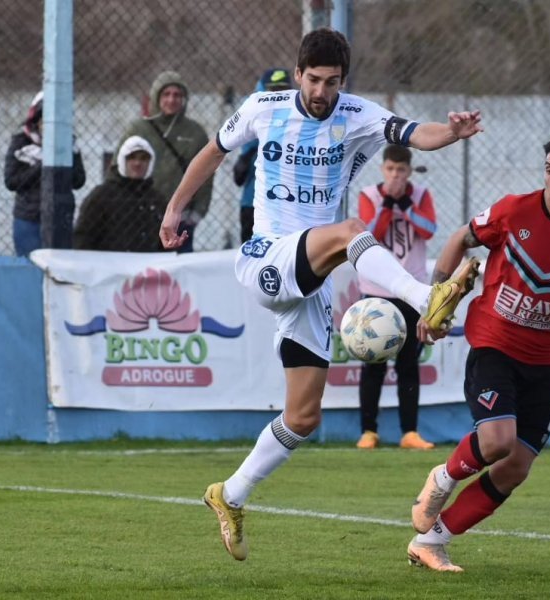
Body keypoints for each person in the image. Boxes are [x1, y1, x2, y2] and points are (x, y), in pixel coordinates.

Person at [159, 27, 483, 562]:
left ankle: (230, 494)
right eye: (314, 80)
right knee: (347, 229)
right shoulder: (263, 108)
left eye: (332, 82)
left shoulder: (355, 113)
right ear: (299, 72)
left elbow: (412, 133)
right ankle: (427, 299)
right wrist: (174, 211)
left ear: (342, 80)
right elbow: (212, 153)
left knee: (304, 418)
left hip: (312, 279)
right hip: (267, 257)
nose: (322, 91)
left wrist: (450, 133)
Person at [407, 134, 550, 572]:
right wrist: (435, 301)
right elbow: (458, 240)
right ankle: (443, 478)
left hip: (547, 363)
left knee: (515, 468)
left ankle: (430, 542)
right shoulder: (513, 210)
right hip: (494, 344)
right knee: (498, 442)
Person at [355, 144, 436, 451]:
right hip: (377, 290)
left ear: (409, 171)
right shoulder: (369, 195)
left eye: (401, 170)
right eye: (390, 169)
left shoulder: (421, 195)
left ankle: (409, 432)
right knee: (372, 361)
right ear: (383, 169)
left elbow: (429, 230)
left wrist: (406, 205)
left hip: (411, 290)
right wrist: (388, 203)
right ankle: (368, 431)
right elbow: (370, 235)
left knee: (408, 363)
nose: (395, 175)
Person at [116, 71, 211, 252]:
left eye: (177, 95)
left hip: (180, 218)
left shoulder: (195, 133)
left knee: (177, 275)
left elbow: (206, 175)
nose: (171, 100)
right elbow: (117, 166)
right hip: (140, 215)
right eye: (166, 94)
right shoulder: (139, 129)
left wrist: (197, 212)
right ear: (156, 97)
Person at [4, 91, 86, 257]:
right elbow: (11, 181)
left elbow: (79, 180)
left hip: (61, 218)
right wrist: (44, 165)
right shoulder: (21, 143)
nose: (51, 126)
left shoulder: (69, 144)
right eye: (46, 120)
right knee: (30, 269)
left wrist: (62, 160)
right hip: (29, 218)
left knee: (60, 270)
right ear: (37, 121)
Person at [73, 136, 168, 252]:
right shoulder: (101, 196)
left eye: (143, 158)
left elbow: (166, 243)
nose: (137, 163)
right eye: (131, 158)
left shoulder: (157, 200)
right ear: (122, 160)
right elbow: (83, 237)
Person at [233, 68, 293, 244]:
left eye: (283, 90)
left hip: (286, 205)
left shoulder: (297, 120)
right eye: (272, 91)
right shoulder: (253, 117)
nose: (278, 96)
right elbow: (239, 174)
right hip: (254, 203)